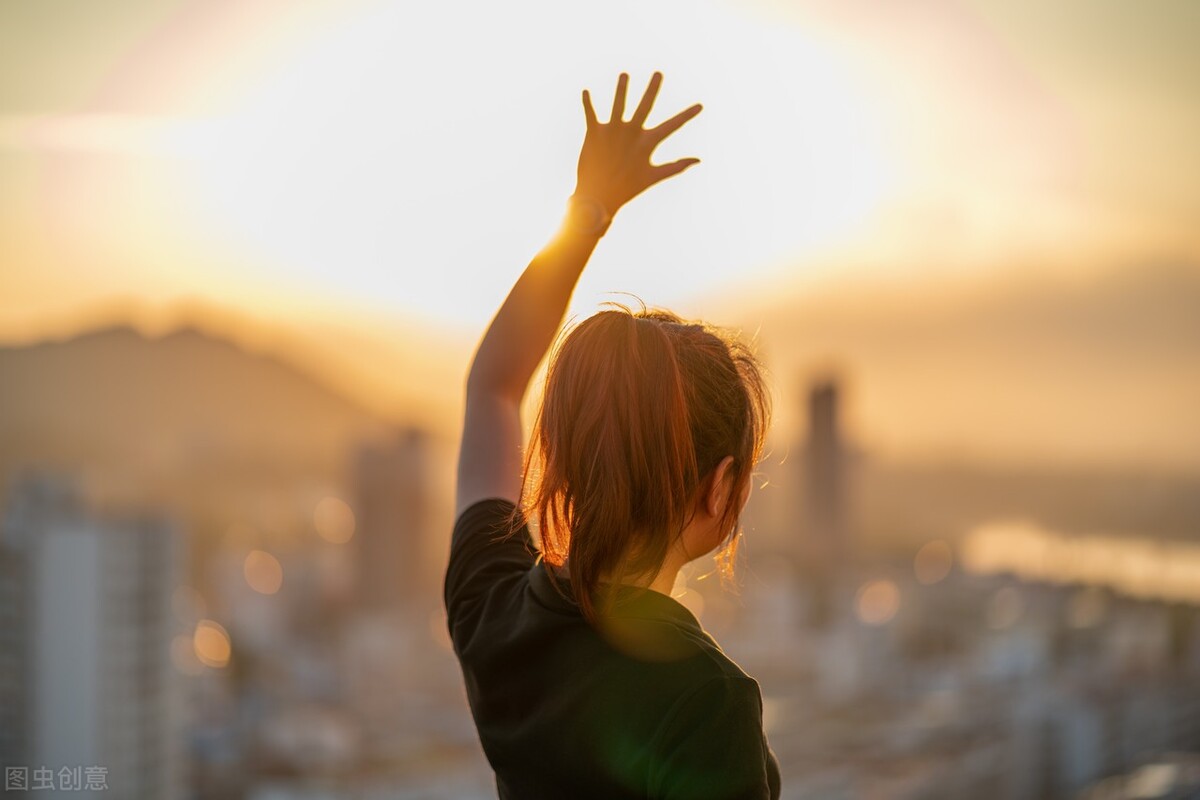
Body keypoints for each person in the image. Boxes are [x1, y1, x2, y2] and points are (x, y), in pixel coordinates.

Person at [444, 71, 780, 799]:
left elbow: (493, 386)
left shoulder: (495, 614)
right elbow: (494, 391)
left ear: (563, 457)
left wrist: (587, 211)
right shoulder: (706, 704)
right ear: (722, 487)